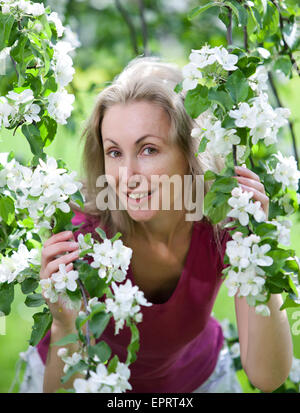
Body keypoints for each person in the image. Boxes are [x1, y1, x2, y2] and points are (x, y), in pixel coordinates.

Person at [34, 56, 293, 394]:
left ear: (189, 153)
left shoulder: (224, 224)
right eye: (114, 153)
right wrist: (63, 321)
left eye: (148, 149)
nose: (127, 177)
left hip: (198, 379)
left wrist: (259, 250)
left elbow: (267, 377)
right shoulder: (83, 239)